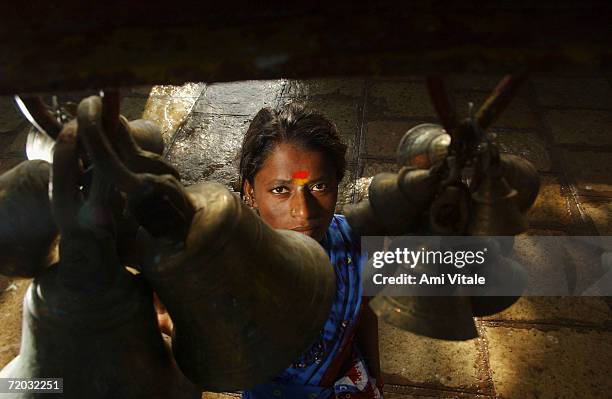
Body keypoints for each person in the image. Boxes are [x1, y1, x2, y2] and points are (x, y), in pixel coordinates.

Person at [238, 103, 383, 399]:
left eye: (318, 186)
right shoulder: (235, 268)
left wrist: (377, 379)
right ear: (250, 193)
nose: (304, 212)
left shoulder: (354, 242)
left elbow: (365, 313)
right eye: (281, 190)